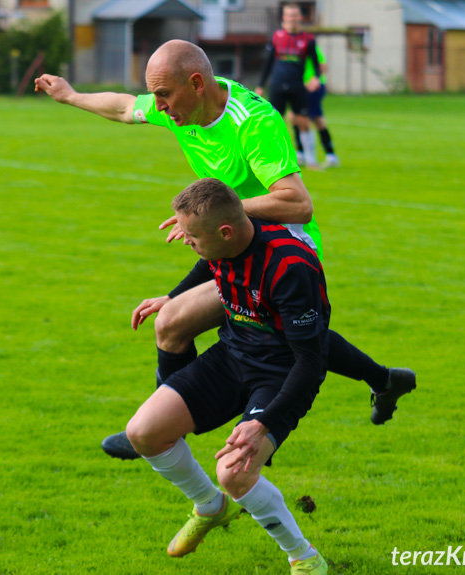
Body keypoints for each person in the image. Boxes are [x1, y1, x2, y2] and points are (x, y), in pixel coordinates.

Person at [33, 39, 415, 462]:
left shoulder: (253, 124)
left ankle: (165, 426)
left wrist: (213, 215)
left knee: (220, 326)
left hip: (284, 252)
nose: (157, 107)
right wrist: (70, 95)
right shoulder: (180, 106)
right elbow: (124, 107)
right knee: (193, 323)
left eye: (164, 95)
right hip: (232, 244)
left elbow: (297, 203)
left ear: (196, 83)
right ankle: (384, 380)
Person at [126, 178, 329, 574]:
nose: (186, 241)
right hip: (231, 356)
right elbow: (210, 260)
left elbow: (311, 362)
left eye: (192, 235)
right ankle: (210, 506)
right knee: (143, 431)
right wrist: (174, 296)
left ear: (225, 231)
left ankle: (304, 556)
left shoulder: (291, 266)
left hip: (281, 373)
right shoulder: (225, 241)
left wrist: (263, 424)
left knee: (234, 471)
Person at [255, 3, 322, 170]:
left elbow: (316, 63)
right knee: (275, 122)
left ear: (299, 17)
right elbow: (269, 63)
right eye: (289, 15)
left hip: (297, 85)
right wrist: (261, 85)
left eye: (295, 15)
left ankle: (311, 159)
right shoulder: (276, 37)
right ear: (284, 17)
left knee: (303, 121)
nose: (292, 18)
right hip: (277, 85)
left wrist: (316, 78)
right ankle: (277, 160)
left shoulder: (308, 39)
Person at [292, 44, 340, 169]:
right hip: (298, 88)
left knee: (315, 119)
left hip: (313, 88)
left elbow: (323, 66)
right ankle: (301, 153)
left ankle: (330, 155)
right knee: (294, 117)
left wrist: (314, 80)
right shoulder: (289, 49)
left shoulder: (308, 45)